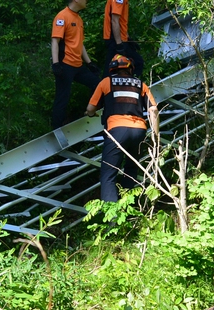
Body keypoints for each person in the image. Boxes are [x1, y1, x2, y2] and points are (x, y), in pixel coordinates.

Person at [85, 54, 158, 202]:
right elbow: (154, 110)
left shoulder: (106, 82)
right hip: (139, 131)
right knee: (131, 170)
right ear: (130, 68)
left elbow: (91, 108)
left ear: (112, 68)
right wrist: (155, 137)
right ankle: (128, 209)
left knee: (108, 175)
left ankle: (113, 220)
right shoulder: (140, 84)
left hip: (117, 130)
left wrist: (90, 113)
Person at [51, 0, 101, 129]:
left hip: (78, 65)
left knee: (97, 84)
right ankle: (57, 130)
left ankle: (90, 112)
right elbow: (55, 41)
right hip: (65, 65)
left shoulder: (78, 19)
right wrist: (56, 63)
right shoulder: (62, 16)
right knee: (62, 98)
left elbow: (80, 43)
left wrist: (89, 63)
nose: (87, 1)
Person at [102, 0, 144, 78]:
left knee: (113, 69)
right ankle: (105, 89)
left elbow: (121, 22)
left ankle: (119, 86)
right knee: (137, 63)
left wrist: (129, 39)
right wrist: (119, 44)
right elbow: (115, 20)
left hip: (120, 39)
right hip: (115, 39)